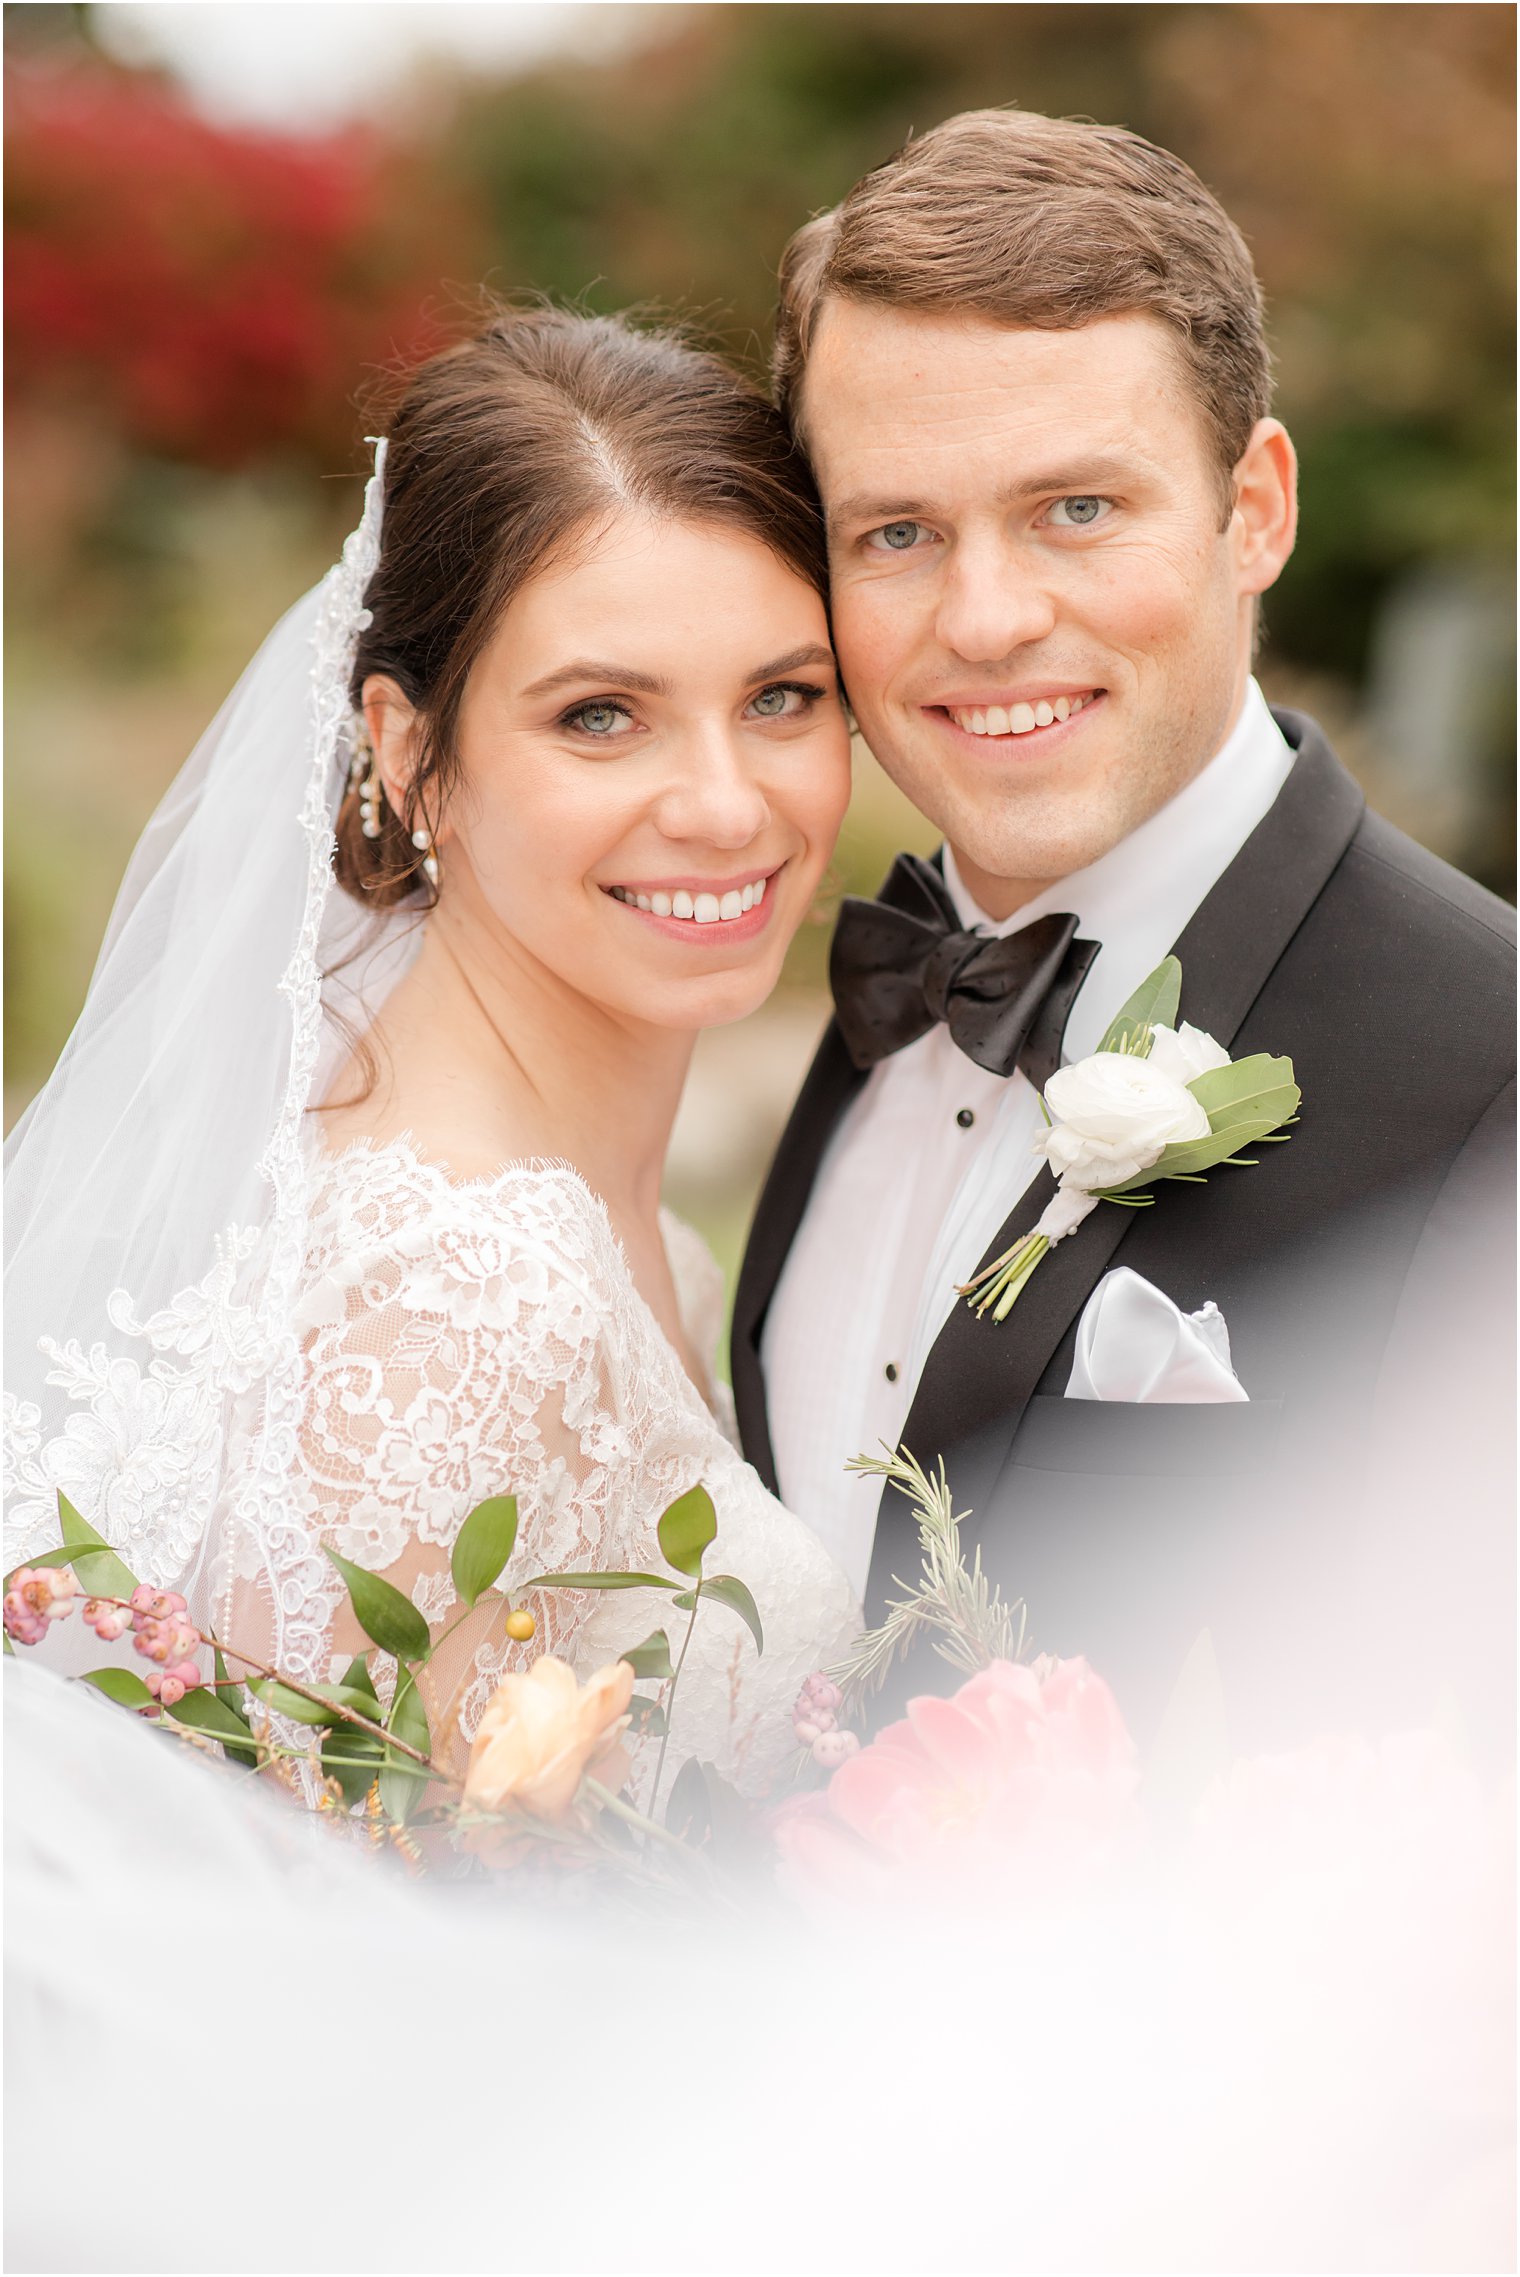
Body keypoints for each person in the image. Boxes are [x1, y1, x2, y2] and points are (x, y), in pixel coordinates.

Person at [734, 109, 1516, 1751]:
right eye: (897, 531)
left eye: (1077, 509)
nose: (987, 618)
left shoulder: (1491, 1078)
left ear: (1256, 511)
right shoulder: (881, 998)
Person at [4, 306, 857, 1802]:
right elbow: (306, 1929)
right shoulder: (468, 1305)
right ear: (408, 753)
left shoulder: (622, 1235)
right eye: (604, 716)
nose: (728, 804)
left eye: (781, 696)